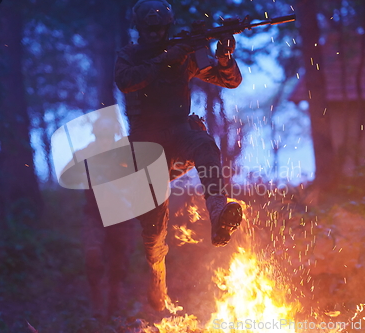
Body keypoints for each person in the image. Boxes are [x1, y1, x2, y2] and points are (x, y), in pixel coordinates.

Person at [114, 0, 244, 311]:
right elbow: (127, 81)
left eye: (162, 28)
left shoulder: (182, 53)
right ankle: (157, 280)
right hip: (146, 146)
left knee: (204, 145)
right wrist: (166, 58)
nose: (158, 33)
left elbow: (230, 81)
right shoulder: (130, 56)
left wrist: (224, 57)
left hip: (177, 132)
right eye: (151, 29)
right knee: (154, 228)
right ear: (141, 29)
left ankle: (217, 212)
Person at [59, 116, 136, 318]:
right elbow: (67, 175)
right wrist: (83, 175)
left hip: (121, 215)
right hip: (94, 214)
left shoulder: (123, 154)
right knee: (93, 254)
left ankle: (115, 308)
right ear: (95, 136)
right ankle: (97, 306)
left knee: (118, 264)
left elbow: (137, 179)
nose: (105, 140)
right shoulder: (84, 154)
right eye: (101, 136)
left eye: (108, 136)